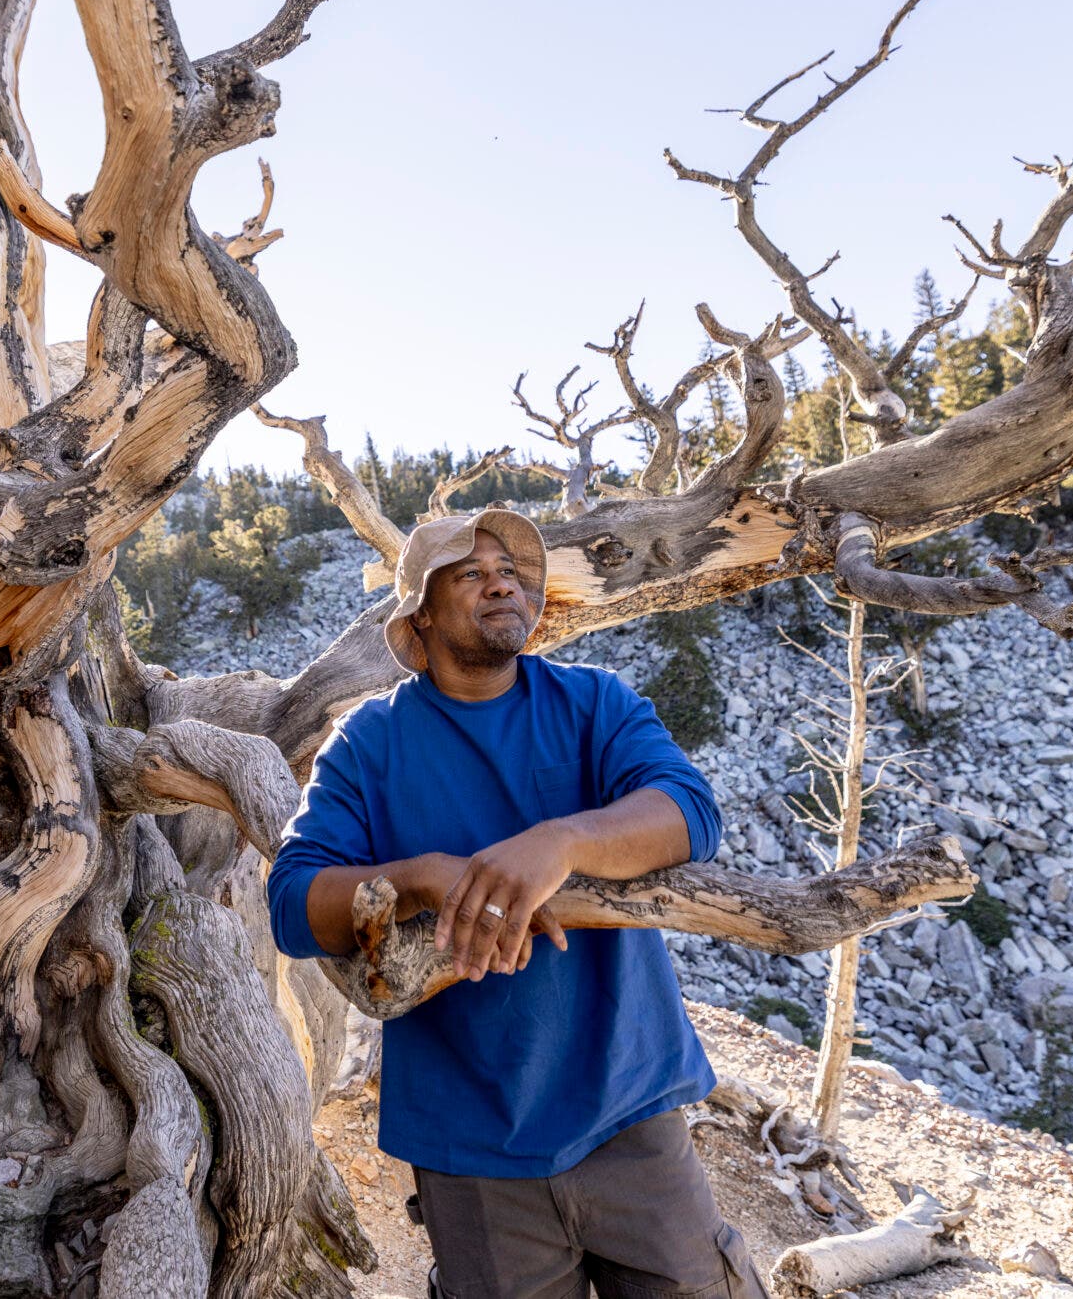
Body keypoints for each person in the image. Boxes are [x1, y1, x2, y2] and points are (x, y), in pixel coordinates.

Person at [268, 508, 767, 1299]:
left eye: (512, 570)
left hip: (628, 1108)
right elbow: (293, 904)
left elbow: (691, 813)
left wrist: (560, 842)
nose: (503, 579)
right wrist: (422, 875)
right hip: (468, 1144)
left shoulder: (594, 703)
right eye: (471, 572)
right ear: (420, 617)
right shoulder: (369, 743)